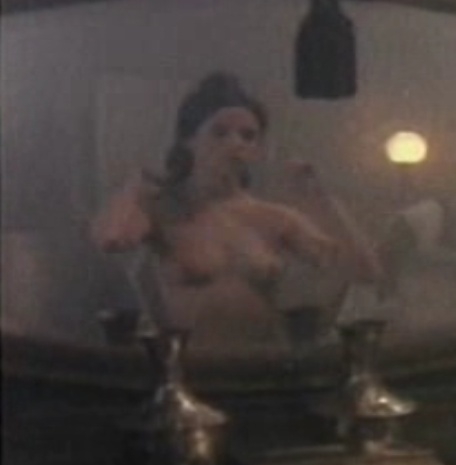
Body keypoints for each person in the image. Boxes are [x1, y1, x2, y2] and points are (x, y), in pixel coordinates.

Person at [91, 72, 380, 349]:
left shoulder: (275, 219)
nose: (235, 143)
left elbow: (363, 273)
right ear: (189, 140)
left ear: (257, 149)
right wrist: (135, 185)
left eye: (248, 136)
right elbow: (112, 239)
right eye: (219, 133)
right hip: (189, 365)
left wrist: (321, 197)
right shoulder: (164, 209)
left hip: (261, 364)